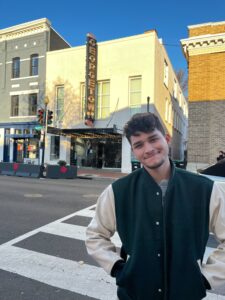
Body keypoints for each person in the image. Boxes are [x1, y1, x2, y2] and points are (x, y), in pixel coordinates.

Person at [85, 112, 225, 300]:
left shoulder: (205, 189)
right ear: (134, 151)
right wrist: (118, 268)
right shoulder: (117, 192)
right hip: (135, 294)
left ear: (166, 139)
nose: (148, 149)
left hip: (186, 294)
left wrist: (207, 278)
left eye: (153, 139)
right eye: (139, 145)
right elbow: (95, 235)